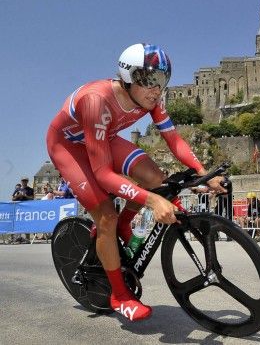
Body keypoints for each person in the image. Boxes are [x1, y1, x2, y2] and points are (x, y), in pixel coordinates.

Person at [46, 43, 224, 322]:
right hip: (68, 146)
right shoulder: (96, 100)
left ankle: (125, 221)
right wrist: (152, 201)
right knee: (105, 215)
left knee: (155, 178)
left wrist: (204, 172)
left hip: (102, 137)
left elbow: (174, 140)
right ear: (128, 77)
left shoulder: (151, 99)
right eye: (150, 81)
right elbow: (103, 174)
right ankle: (119, 294)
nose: (157, 89)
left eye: (162, 81)